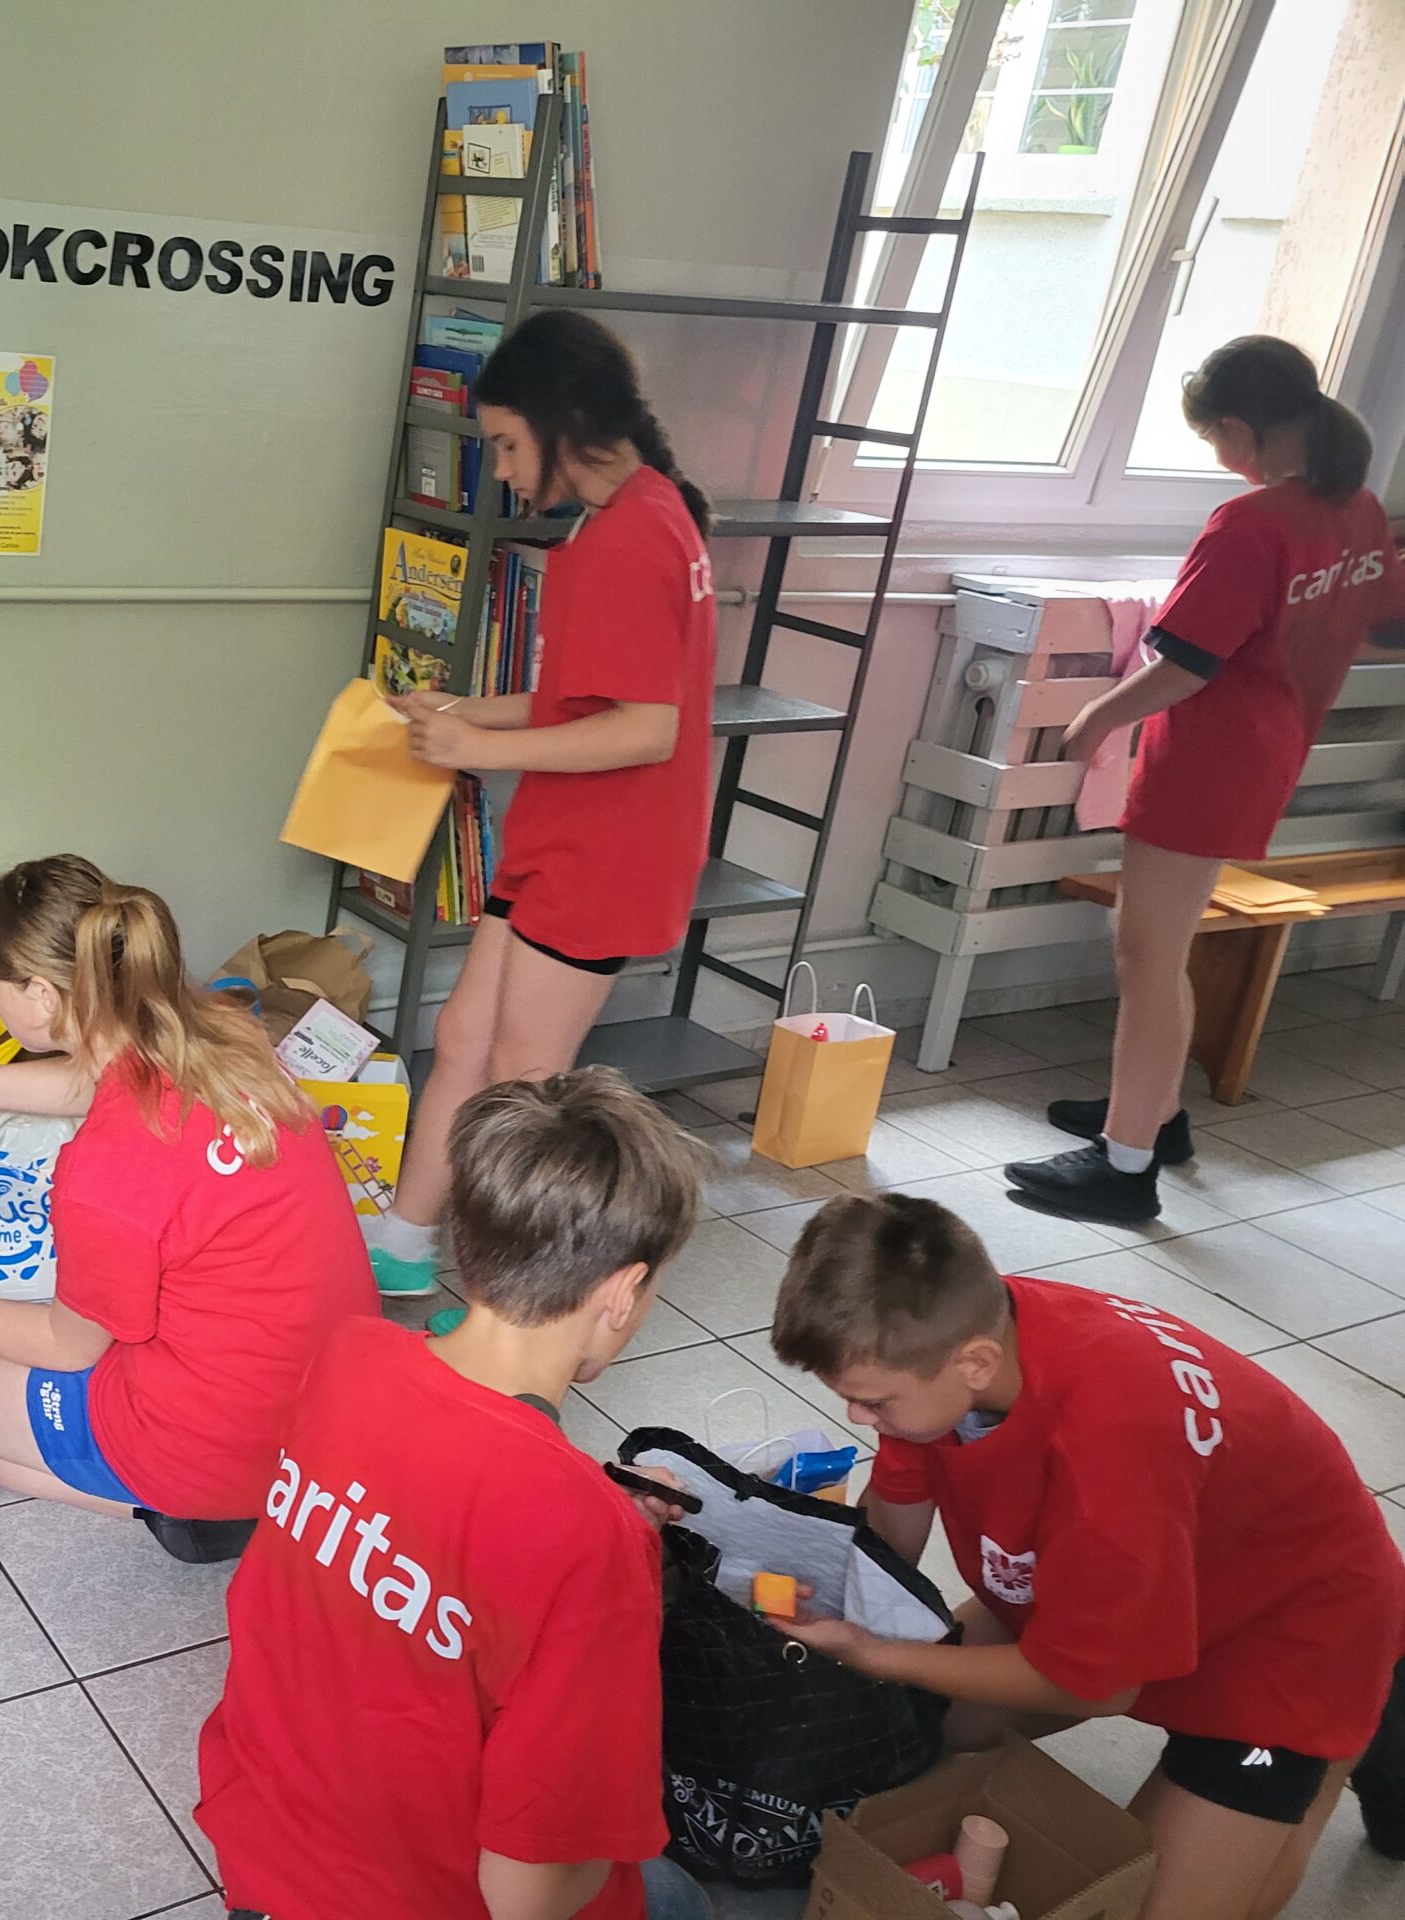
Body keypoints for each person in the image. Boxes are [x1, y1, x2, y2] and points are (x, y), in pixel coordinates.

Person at [768, 1191, 1405, 1919]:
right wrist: (825, 1585)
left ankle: (1363, 1725)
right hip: (1117, 1577)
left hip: (1293, 1637)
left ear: (974, 1363)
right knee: (913, 1734)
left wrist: (876, 1653)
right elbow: (890, 1537)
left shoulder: (1112, 1456)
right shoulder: (948, 1334)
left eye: (875, 1403)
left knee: (1151, 1911)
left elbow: (1093, 1689)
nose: (858, 1416)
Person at [195, 1070, 716, 1920]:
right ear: (623, 1293)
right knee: (683, 1896)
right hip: (409, 1898)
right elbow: (525, 1899)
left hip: (268, 1858)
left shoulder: (350, 1356)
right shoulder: (588, 1542)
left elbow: (434, 1497)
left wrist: (589, 1510)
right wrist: (607, 1547)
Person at [0, 855, 375, 1552]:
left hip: (223, 1445)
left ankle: (190, 1513)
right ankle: (228, 1494)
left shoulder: (105, 1170)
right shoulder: (222, 1032)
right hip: (334, 1410)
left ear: (42, 994)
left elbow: (70, 1345)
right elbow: (98, 1083)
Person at [1007, 337, 1405, 1223]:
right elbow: (1386, 627)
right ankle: (1156, 1116)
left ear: (1237, 428)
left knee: (1146, 953)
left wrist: (1097, 716)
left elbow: (1187, 662)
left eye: (1215, 442)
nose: (1221, 460)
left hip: (1207, 761)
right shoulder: (1355, 508)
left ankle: (1124, 1167)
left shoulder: (1251, 522)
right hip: (1269, 751)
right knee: (1160, 944)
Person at [363, 310, 717, 1303]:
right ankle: (401, 1245)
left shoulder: (636, 533)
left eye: (510, 446)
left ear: (567, 423)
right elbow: (579, 701)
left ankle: (506, 1303)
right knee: (466, 1044)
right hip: (562, 840)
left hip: (605, 856)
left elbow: (647, 729)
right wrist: (463, 712)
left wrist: (478, 748)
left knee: (524, 1093)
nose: (504, 472)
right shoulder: (621, 518)